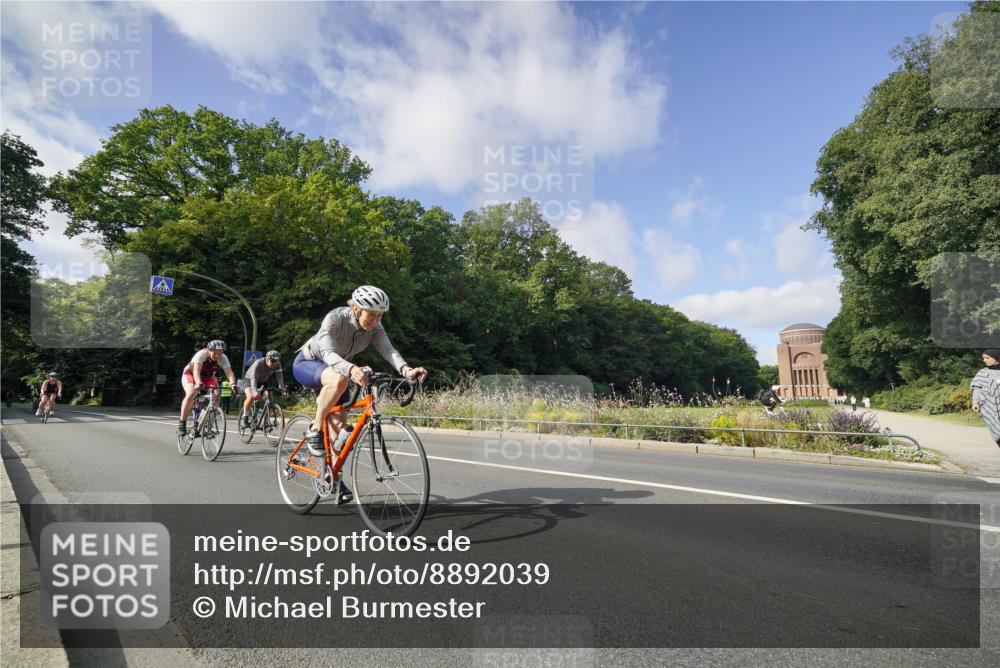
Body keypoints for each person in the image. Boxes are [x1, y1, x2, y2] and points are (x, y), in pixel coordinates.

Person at [294, 286, 428, 501]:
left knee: (340, 434)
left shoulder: (375, 327)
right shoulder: (335, 318)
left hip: (340, 370)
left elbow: (388, 350)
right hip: (310, 363)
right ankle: (315, 428)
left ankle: (334, 480)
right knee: (338, 378)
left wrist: (406, 370)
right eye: (372, 314)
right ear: (356, 308)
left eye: (380, 315)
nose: (376, 320)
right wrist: (351, 369)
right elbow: (327, 352)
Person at [177, 340, 239, 436]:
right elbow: (196, 372)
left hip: (208, 376)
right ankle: (182, 423)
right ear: (209, 350)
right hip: (191, 374)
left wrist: (233, 384)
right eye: (215, 352)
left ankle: (208, 426)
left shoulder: (223, 358)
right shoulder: (201, 355)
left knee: (217, 395)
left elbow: (229, 373)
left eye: (220, 353)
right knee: (191, 393)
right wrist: (198, 383)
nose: (217, 355)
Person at [241, 350, 288, 426]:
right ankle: (245, 416)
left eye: (276, 361)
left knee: (269, 396)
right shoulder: (258, 363)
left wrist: (283, 391)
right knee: (251, 397)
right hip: (249, 380)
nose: (275, 363)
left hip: (263, 381)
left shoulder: (278, 365)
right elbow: (253, 378)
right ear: (267, 359)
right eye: (272, 361)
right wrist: (255, 391)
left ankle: (263, 416)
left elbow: (280, 379)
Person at [971, 348, 1000, 448]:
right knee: (996, 432)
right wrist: (975, 402)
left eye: (987, 358)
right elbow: (977, 389)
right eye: (983, 358)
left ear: (996, 359)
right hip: (988, 407)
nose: (984, 360)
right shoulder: (982, 373)